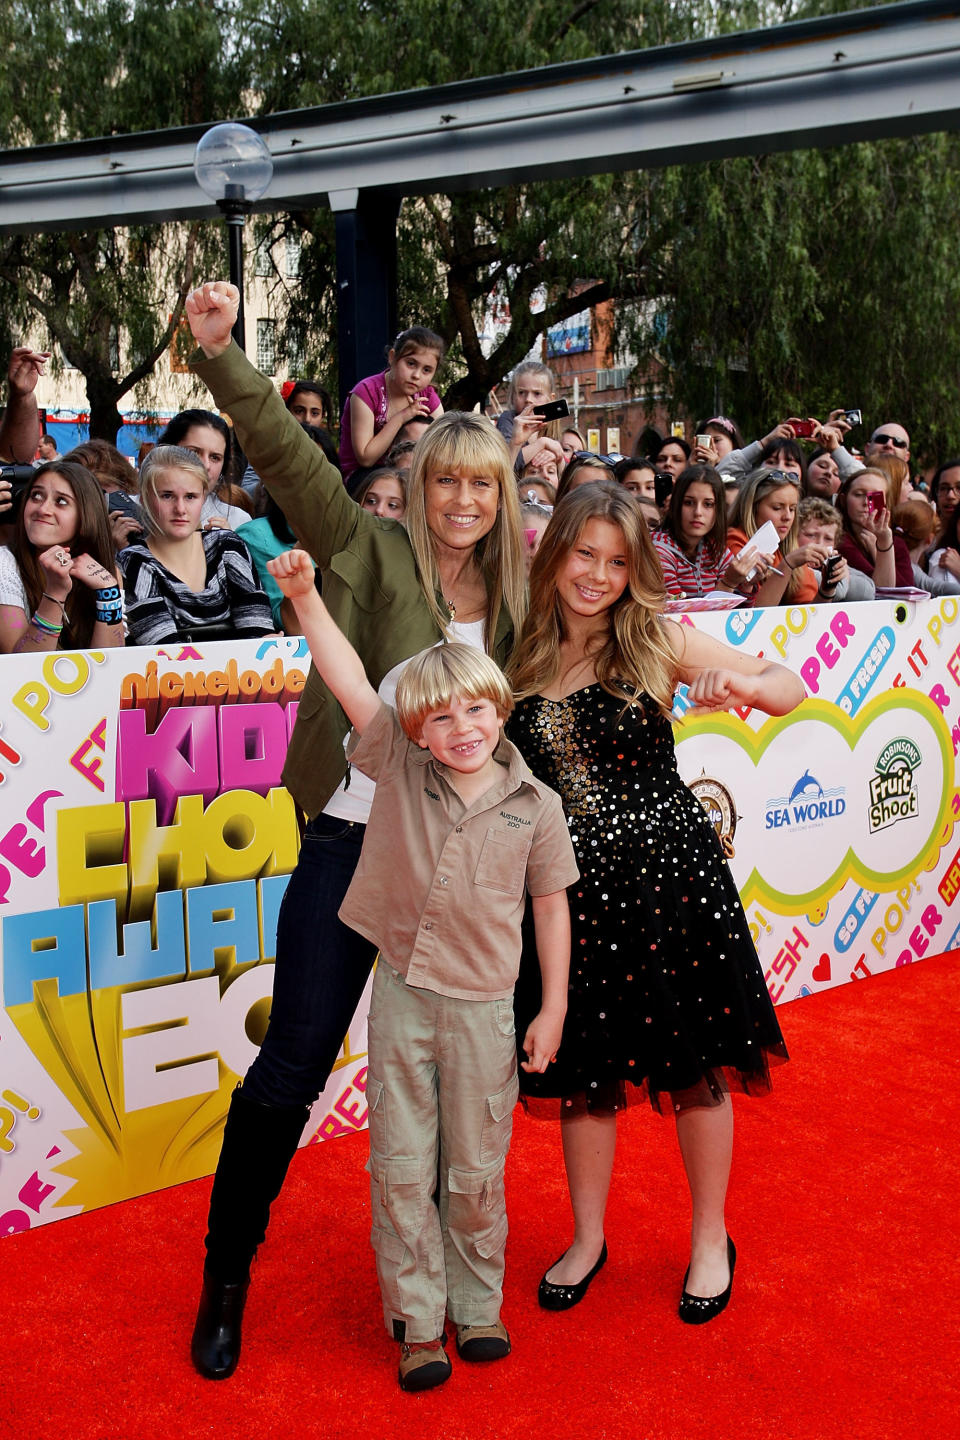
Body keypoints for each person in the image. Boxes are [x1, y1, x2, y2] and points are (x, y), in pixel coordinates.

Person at [183, 278, 527, 1382]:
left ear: (502, 496)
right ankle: (225, 1277)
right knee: (292, 1066)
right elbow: (291, 460)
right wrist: (226, 357)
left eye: (484, 483)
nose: (463, 500)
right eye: (447, 480)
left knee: (450, 1074)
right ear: (421, 485)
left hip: (469, 867)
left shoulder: (518, 602)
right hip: (349, 845)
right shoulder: (369, 551)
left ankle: (429, 1294)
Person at [267, 549, 576, 1389]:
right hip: (404, 1000)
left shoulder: (537, 806)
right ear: (413, 732)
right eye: (439, 718)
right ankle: (417, 1322)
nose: (462, 729)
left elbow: (551, 906)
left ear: (502, 710)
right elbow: (346, 677)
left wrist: (550, 1010)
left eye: (477, 709)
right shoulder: (398, 770)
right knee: (402, 1165)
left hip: (488, 1013)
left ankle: (477, 1307)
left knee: (476, 1169)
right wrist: (303, 598)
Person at [505, 481, 797, 1323]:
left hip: (671, 883)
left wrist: (735, 690)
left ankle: (711, 1238)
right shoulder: (519, 650)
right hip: (568, 897)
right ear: (554, 551)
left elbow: (787, 686)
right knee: (585, 1073)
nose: (597, 575)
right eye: (584, 554)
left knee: (696, 1067)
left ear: (638, 572)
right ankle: (589, 1236)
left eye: (618, 561)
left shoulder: (657, 639)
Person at [118, 446, 273, 645]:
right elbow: (163, 652)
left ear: (203, 497)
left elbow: (260, 637)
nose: (180, 509)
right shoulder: (134, 561)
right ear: (145, 497)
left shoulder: (229, 546)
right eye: (167, 495)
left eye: (190, 496)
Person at [0, 460, 125, 654]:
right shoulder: (5, 564)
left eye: (61, 501)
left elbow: (110, 665)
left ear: (86, 515)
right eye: (36, 496)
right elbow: (24, 670)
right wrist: (55, 592)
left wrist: (108, 592)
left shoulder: (105, 573)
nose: (43, 509)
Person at [338, 325, 445, 479]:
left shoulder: (427, 394)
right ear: (392, 357)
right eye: (411, 363)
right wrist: (402, 417)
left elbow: (443, 443)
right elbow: (365, 458)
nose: (416, 375)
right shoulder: (366, 393)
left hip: (408, 473)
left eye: (426, 370)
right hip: (365, 476)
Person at [727, 468, 832, 605]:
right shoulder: (735, 540)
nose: (787, 517)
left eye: (792, 509)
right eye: (777, 508)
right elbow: (757, 615)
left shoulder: (789, 548)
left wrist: (828, 587)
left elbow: (810, 612)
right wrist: (787, 565)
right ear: (753, 508)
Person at [651, 464, 752, 598]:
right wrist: (728, 583)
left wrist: (746, 586)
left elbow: (740, 616)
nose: (698, 512)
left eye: (708, 504)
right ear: (676, 504)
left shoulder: (719, 551)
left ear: (718, 510)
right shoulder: (658, 549)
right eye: (688, 502)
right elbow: (678, 612)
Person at [158, 409, 251, 529]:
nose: (205, 465)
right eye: (194, 452)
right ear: (167, 450)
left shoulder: (238, 521)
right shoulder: (133, 511)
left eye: (215, 457)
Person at [836, 468, 913, 590]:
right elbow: (878, 591)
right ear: (843, 500)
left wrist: (879, 549)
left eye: (875, 497)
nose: (867, 502)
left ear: (886, 503)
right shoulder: (838, 540)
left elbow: (906, 590)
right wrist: (883, 551)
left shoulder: (897, 543)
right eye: (859, 494)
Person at [494, 361, 557, 445]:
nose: (528, 399)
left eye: (537, 393)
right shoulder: (507, 420)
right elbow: (508, 456)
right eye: (521, 392)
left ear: (550, 399)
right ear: (513, 396)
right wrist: (541, 444)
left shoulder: (551, 425)